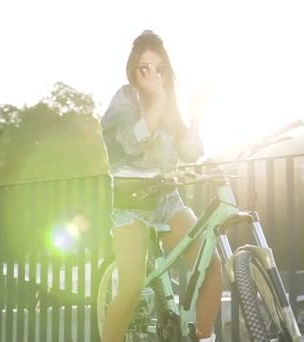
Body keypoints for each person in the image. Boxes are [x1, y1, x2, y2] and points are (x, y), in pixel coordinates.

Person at [99, 30, 222, 342]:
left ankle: (203, 338)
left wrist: (196, 114)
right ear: (133, 71)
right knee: (130, 288)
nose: (153, 75)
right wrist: (158, 101)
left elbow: (191, 153)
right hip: (132, 203)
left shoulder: (169, 106)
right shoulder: (125, 98)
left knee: (211, 264)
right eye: (145, 68)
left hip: (167, 199)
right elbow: (131, 143)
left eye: (159, 68)